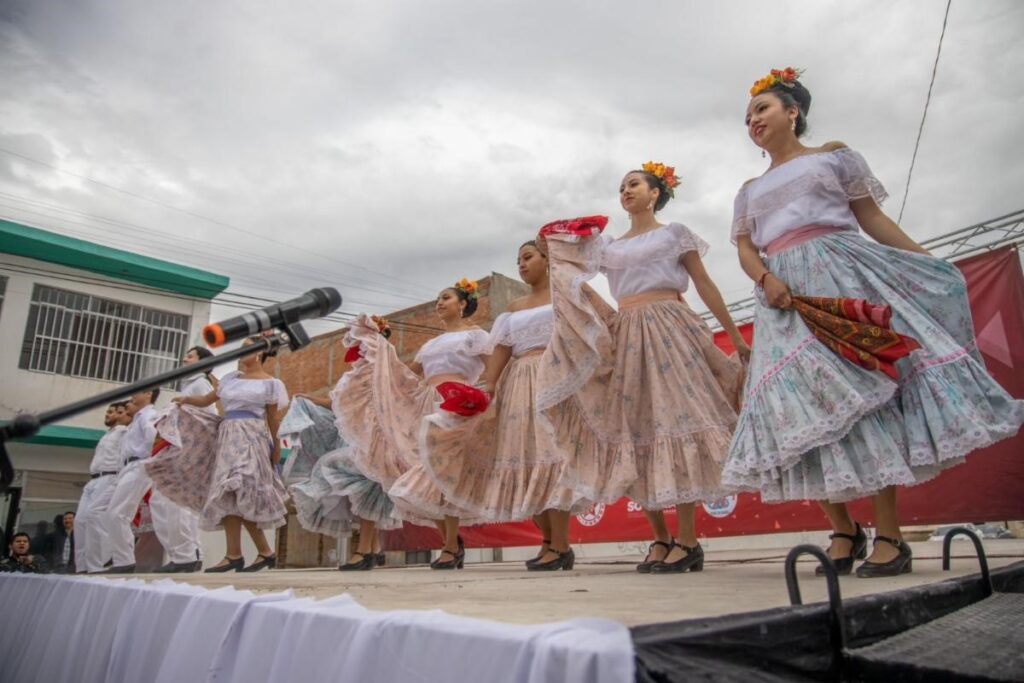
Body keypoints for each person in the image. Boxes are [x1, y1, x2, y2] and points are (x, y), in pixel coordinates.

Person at [723, 67, 1024, 577]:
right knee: (797, 411)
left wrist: (930, 262)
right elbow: (746, 249)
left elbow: (873, 218)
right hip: (783, 297)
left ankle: (889, 536)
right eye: (748, 115)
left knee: (867, 393)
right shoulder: (749, 189)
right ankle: (842, 529)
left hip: (841, 272)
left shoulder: (834, 156)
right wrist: (765, 280)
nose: (753, 119)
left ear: (793, 112)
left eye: (763, 109)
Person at [537, 171, 748, 575]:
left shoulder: (674, 234)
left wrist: (735, 336)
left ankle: (687, 539)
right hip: (627, 330)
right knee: (636, 427)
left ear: (656, 193)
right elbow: (564, 263)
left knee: (678, 418)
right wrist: (559, 235)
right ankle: (660, 537)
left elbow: (703, 284)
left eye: (634, 184)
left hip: (670, 325)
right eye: (621, 187)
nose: (625, 191)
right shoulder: (609, 248)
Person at [417, 243, 589, 571]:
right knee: (526, 459)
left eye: (528, 257)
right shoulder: (513, 307)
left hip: (555, 377)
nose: (522, 265)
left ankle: (562, 543)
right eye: (518, 261)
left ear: (548, 259)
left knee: (553, 455)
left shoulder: (565, 296)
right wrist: (490, 385)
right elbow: (501, 351)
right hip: (519, 383)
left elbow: (583, 336)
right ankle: (550, 543)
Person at [148, 337, 289, 572]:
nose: (241, 352)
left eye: (247, 348)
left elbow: (272, 419)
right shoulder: (230, 379)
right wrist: (185, 400)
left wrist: (276, 446)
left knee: (242, 487)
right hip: (227, 435)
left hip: (251, 436)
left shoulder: (271, 384)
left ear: (260, 353)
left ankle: (262, 552)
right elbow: (206, 400)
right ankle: (237, 554)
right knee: (226, 492)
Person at [384, 281, 493, 570]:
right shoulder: (429, 344)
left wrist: (489, 398)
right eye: (437, 299)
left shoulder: (477, 336)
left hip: (458, 403)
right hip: (427, 404)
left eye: (445, 298)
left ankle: (449, 546)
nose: (439, 303)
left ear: (462, 304)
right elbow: (408, 377)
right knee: (424, 476)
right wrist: (380, 352)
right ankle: (452, 542)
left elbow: (495, 368)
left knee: (446, 472)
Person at [150, 347, 216, 573]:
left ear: (202, 361)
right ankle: (181, 555)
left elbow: (209, 418)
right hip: (177, 446)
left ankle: (187, 555)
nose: (184, 359)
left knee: (176, 502)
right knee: (161, 501)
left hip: (187, 448)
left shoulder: (201, 385)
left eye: (190, 356)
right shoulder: (189, 385)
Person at [101, 389, 164, 573]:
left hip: (139, 465)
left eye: (137, 392)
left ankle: (124, 561)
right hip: (129, 467)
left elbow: (155, 438)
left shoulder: (149, 415)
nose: (133, 396)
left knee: (117, 513)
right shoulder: (137, 418)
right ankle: (122, 560)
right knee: (116, 514)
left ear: (148, 394)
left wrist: (149, 464)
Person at [76, 402, 129, 573]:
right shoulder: (108, 434)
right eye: (108, 411)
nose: (109, 414)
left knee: (94, 516)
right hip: (94, 480)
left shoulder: (124, 432)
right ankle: (82, 566)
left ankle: (98, 564)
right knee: (80, 521)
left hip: (110, 477)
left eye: (114, 412)